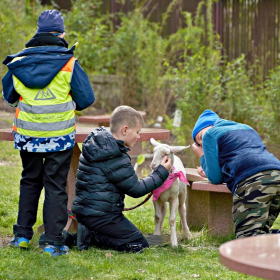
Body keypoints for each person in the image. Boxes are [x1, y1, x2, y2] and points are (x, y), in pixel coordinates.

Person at [2, 10, 95, 256]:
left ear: (38, 32)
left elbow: (10, 97)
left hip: (28, 135)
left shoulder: (19, 62)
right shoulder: (69, 63)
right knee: (55, 185)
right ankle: (53, 242)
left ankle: (21, 236)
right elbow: (86, 99)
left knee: (30, 181)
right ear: (61, 33)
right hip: (59, 136)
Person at [72, 105, 172, 253]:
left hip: (87, 211)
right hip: (102, 215)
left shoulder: (100, 142)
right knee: (138, 243)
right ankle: (91, 236)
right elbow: (136, 189)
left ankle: (89, 232)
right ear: (125, 130)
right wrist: (162, 172)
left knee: (132, 238)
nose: (138, 137)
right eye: (137, 132)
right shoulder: (114, 154)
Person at [191, 109, 280, 239]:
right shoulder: (246, 128)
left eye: (200, 138)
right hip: (276, 172)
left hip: (253, 179)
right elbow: (239, 157)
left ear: (208, 126)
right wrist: (208, 173)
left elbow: (215, 178)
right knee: (259, 235)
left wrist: (202, 155)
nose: (202, 143)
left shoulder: (209, 134)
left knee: (247, 239)